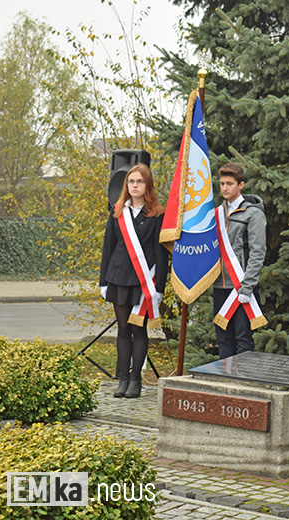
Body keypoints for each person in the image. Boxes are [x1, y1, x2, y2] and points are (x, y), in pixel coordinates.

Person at [99, 163, 168, 399]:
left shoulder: (157, 213)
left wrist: (159, 287)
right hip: (118, 278)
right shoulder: (118, 211)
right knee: (123, 329)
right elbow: (107, 247)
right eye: (131, 182)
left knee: (139, 331)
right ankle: (123, 379)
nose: (135, 185)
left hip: (142, 282)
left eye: (139, 181)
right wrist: (103, 282)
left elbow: (161, 253)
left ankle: (136, 379)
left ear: (147, 185)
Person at [212, 162, 267, 359]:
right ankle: (225, 384)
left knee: (243, 338)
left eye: (229, 183)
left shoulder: (253, 214)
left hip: (242, 287)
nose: (225, 188)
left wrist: (247, 287)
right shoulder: (217, 213)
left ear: (241, 185)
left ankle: (242, 385)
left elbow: (257, 253)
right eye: (222, 183)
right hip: (220, 284)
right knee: (223, 338)